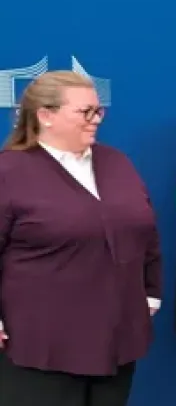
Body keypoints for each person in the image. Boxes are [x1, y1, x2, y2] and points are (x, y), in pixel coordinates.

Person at [0, 71, 162, 406]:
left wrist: (149, 293)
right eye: (85, 112)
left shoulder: (116, 162)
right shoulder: (9, 171)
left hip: (117, 340)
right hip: (40, 345)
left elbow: (145, 233)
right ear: (45, 116)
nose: (96, 119)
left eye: (98, 110)